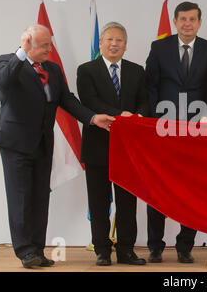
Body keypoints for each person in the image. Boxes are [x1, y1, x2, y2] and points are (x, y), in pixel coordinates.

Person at [0, 24, 114, 269]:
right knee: (20, 198)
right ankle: (25, 251)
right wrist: (21, 52)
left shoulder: (53, 70)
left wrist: (92, 117)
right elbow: (5, 83)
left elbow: (67, 100)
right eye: (44, 45)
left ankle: (37, 250)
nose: (50, 49)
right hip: (16, 144)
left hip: (43, 143)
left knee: (39, 198)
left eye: (50, 44)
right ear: (28, 44)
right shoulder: (6, 62)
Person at [145, 1, 207, 263]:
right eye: (183, 19)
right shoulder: (159, 47)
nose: (187, 24)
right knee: (158, 187)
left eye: (192, 19)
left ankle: (185, 246)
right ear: (175, 22)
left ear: (200, 23)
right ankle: (155, 246)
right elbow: (150, 86)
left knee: (193, 189)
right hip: (163, 128)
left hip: (197, 129)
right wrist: (155, 118)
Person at [77, 22, 149, 266]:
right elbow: (89, 100)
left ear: (126, 45)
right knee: (98, 202)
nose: (114, 44)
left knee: (128, 202)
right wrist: (122, 116)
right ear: (101, 43)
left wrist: (137, 115)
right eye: (109, 39)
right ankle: (102, 250)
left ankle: (127, 250)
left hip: (128, 149)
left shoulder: (137, 71)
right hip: (97, 147)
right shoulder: (86, 70)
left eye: (119, 40)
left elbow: (145, 102)